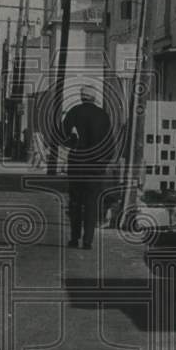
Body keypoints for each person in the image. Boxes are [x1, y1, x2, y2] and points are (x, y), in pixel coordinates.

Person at [60, 86, 114, 249]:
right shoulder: (103, 115)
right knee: (91, 203)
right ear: (94, 98)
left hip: (77, 165)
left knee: (75, 203)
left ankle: (74, 238)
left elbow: (64, 138)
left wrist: (74, 142)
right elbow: (110, 145)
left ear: (81, 97)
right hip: (95, 167)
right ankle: (88, 240)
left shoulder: (73, 113)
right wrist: (103, 162)